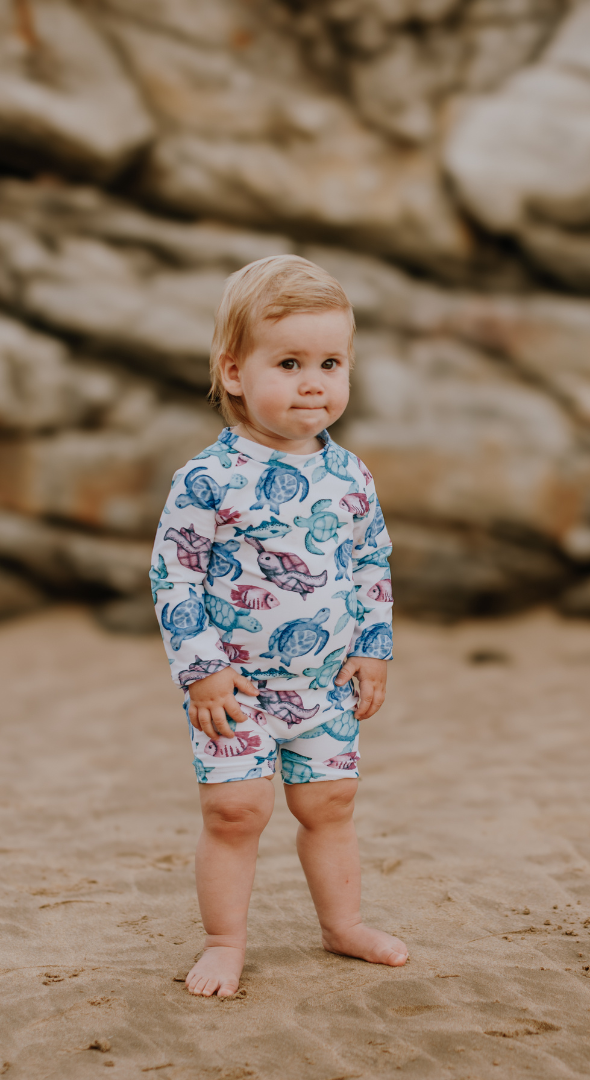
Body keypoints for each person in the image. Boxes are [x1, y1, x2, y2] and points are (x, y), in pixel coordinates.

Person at [150, 254, 406, 998]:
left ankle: (343, 924)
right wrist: (200, 669)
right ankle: (225, 940)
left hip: (324, 683)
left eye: (331, 363)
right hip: (232, 688)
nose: (313, 382)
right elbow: (175, 572)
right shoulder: (207, 477)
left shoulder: (351, 475)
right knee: (235, 811)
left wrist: (372, 647)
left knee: (329, 804)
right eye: (289, 362)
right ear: (234, 373)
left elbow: (371, 564)